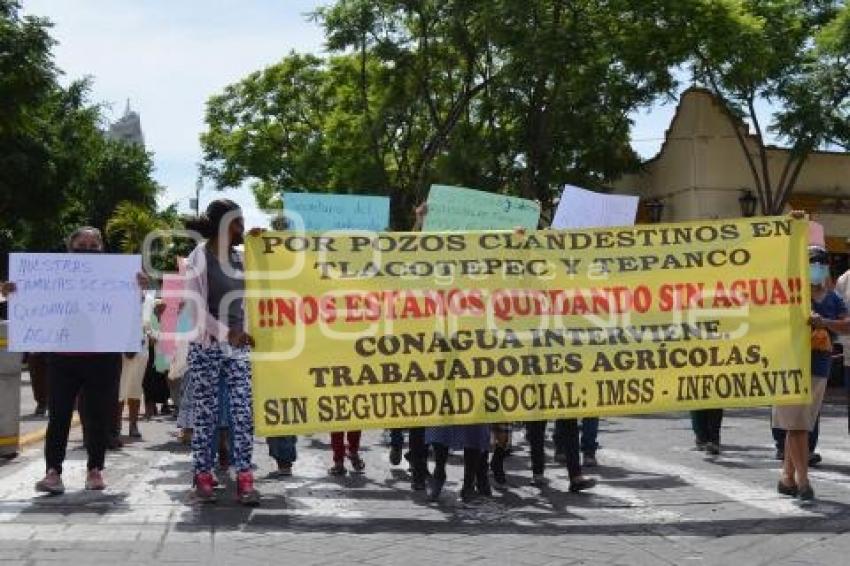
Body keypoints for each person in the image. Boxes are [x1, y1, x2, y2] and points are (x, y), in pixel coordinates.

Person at [2, 226, 147, 494]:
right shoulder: (54, 275)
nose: (88, 252)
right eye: (82, 246)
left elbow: (129, 308)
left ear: (102, 249)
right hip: (63, 358)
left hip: (102, 358)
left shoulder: (116, 275)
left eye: (94, 247)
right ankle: (53, 472)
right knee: (59, 417)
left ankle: (95, 470)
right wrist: (10, 291)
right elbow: (31, 299)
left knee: (96, 416)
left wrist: (139, 290)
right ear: (69, 249)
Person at [184, 199, 260, 506]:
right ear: (221, 225)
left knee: (243, 415)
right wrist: (228, 334)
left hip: (238, 349)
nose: (242, 228)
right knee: (208, 415)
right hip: (208, 349)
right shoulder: (198, 260)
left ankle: (245, 479)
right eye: (237, 222)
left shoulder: (241, 260)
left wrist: (264, 246)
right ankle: (202, 476)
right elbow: (195, 310)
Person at [774, 245, 850, 501]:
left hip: (818, 365)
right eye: (812, 262)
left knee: (800, 422)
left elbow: (847, 325)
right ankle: (803, 481)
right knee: (797, 425)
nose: (817, 267)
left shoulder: (832, 298)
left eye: (821, 263)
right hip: (788, 364)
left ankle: (787, 478)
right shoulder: (788, 294)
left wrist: (824, 323)